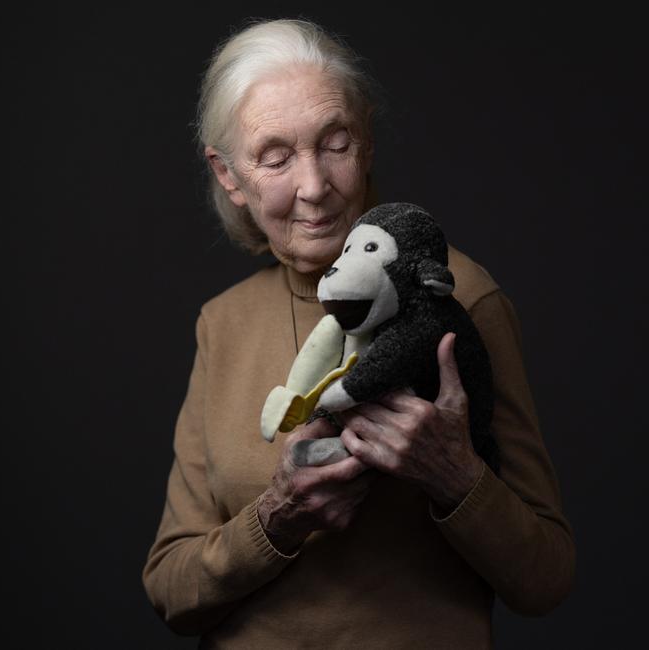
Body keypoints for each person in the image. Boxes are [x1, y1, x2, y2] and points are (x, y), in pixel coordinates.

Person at [142, 17, 575, 648]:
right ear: (229, 176)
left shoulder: (457, 295)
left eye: (335, 143)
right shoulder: (223, 323)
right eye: (276, 155)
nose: (314, 187)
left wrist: (454, 474)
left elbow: (547, 579)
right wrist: (276, 521)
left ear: (366, 143)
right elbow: (170, 589)